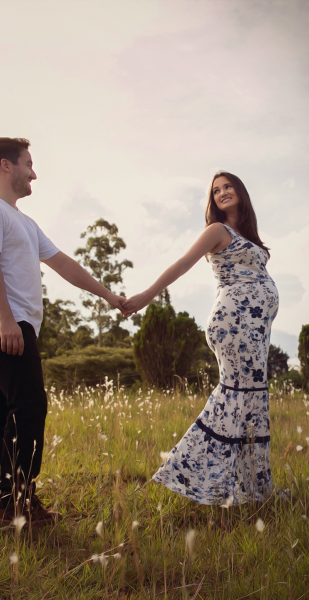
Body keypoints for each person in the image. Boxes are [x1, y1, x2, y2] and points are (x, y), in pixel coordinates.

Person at [0, 138, 128, 524]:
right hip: (1, 324)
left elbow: (64, 264)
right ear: (6, 166)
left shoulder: (23, 221)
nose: (33, 173)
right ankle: (14, 502)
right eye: (28, 164)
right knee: (29, 407)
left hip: (11, 325)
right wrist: (7, 320)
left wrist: (108, 295)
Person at [123, 171, 279, 505]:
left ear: (240, 191)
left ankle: (252, 489)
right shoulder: (217, 231)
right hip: (234, 324)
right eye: (216, 190)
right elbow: (183, 264)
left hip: (255, 330)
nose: (222, 192)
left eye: (228, 186)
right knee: (236, 398)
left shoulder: (247, 236)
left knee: (251, 401)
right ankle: (187, 472)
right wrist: (147, 295)